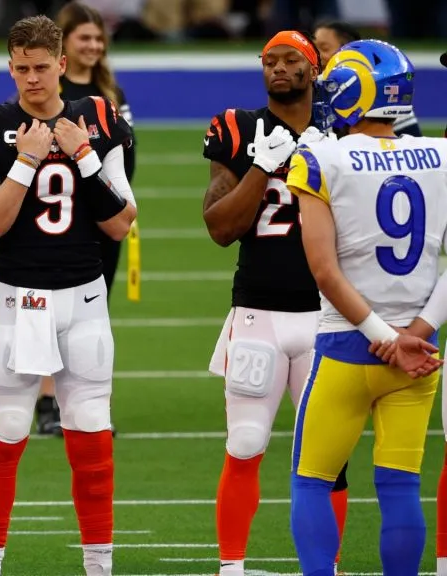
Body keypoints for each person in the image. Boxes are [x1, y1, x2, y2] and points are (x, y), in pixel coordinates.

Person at [0, 15, 137, 576]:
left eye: (41, 67)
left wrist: (84, 157)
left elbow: (121, 222)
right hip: (16, 300)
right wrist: (27, 162)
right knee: (6, 435)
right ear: (10, 67)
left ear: (61, 65)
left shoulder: (97, 118)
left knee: (92, 435)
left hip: (84, 300)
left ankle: (99, 567)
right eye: (21, 68)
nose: (32, 79)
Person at [288, 38, 446, 576]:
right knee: (401, 484)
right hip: (420, 354)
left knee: (311, 480)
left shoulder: (319, 157)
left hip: (350, 347)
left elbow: (324, 270)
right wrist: (415, 331)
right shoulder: (443, 156)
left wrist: (383, 335)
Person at [201, 31, 352, 576]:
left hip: (328, 315)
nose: (279, 69)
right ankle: (232, 568)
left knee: (328, 457)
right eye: (270, 61)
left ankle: (325, 566)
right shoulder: (239, 129)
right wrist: (261, 169)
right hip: (257, 311)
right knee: (244, 443)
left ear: (315, 69)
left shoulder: (344, 132)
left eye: (292, 60)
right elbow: (219, 228)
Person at [32, 0, 141, 437]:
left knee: (93, 311)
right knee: (47, 311)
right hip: (57, 217)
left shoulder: (112, 96)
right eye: (85, 38)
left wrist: (117, 204)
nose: (94, 46)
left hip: (104, 213)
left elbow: (126, 157)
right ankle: (46, 399)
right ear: (63, 45)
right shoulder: (47, 92)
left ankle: (88, 401)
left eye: (99, 38)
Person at [312, 20, 422, 137]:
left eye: (324, 48)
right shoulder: (311, 91)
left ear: (351, 53)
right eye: (313, 49)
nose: (316, 56)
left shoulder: (386, 96)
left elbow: (411, 146)